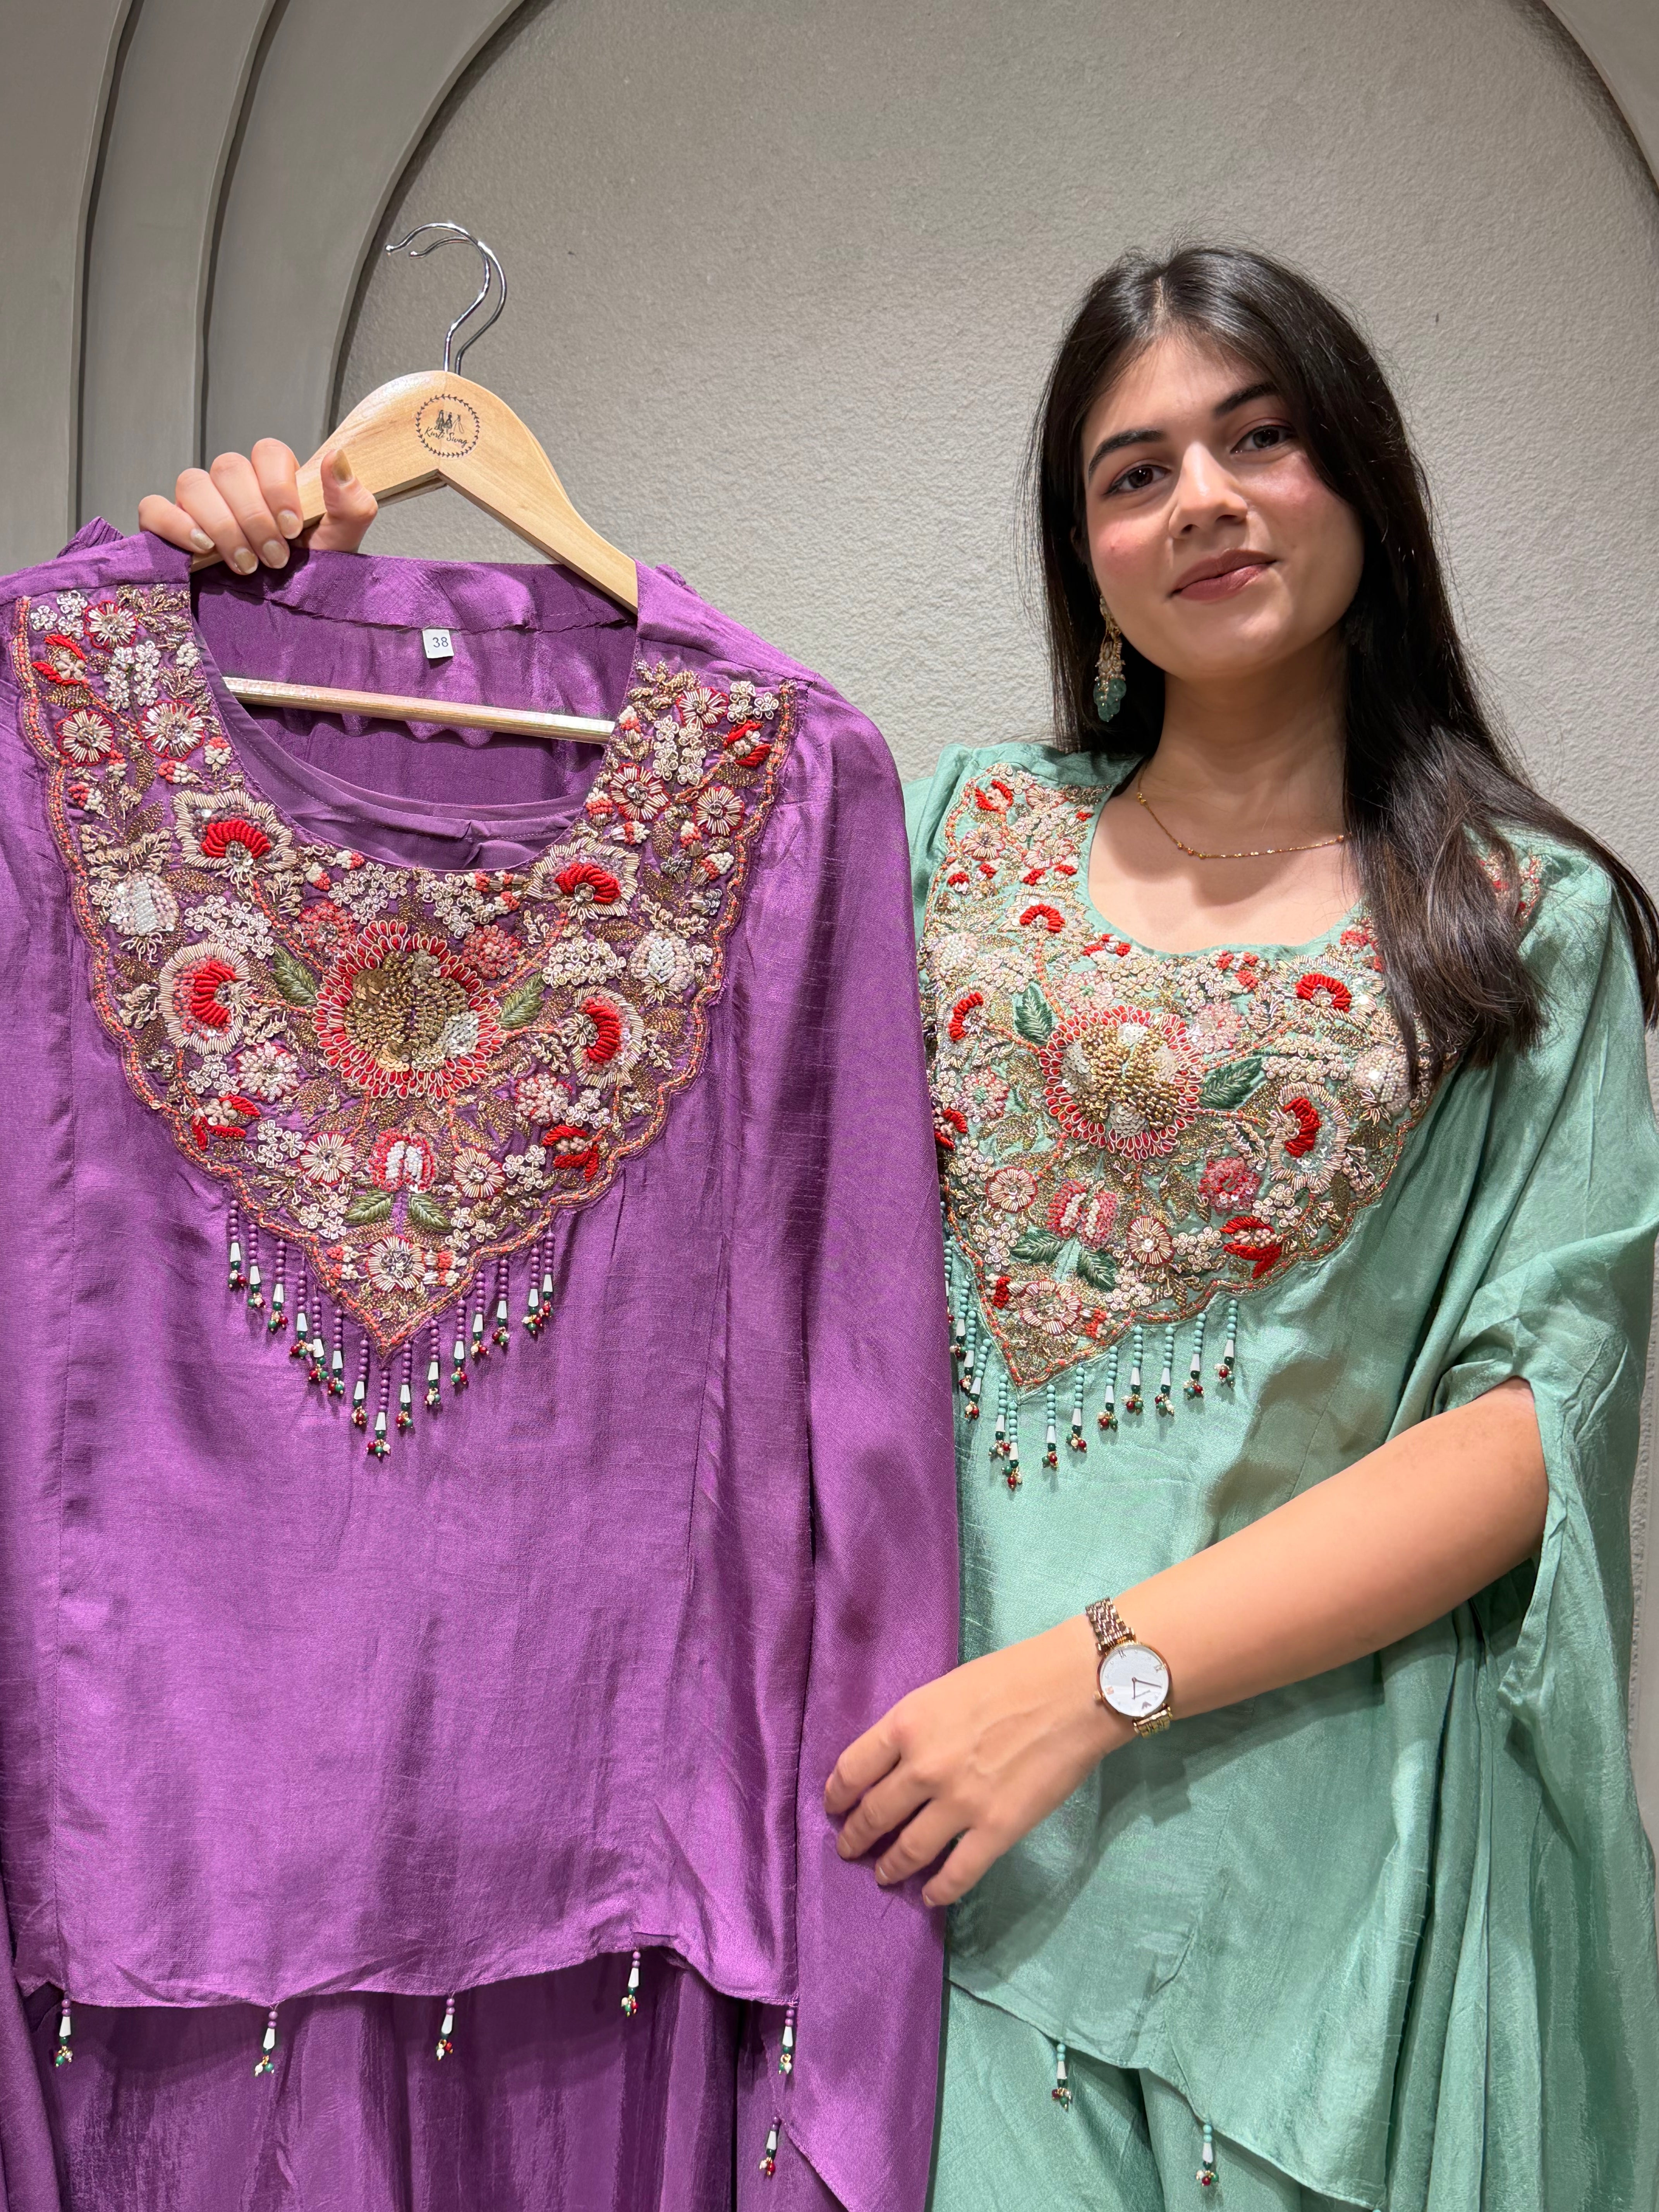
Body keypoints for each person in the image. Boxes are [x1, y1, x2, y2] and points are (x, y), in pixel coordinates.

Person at [140, 244, 1659, 2212]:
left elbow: (1530, 1425)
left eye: (1260, 439)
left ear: (1361, 475)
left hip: (1302, 1887)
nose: (1203, 500)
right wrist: (303, 606)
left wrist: (1089, 1682)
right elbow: (598, 1097)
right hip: (902, 1858)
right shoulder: (949, 836)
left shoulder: (1518, 923)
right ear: (1084, 554)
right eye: (1135, 472)